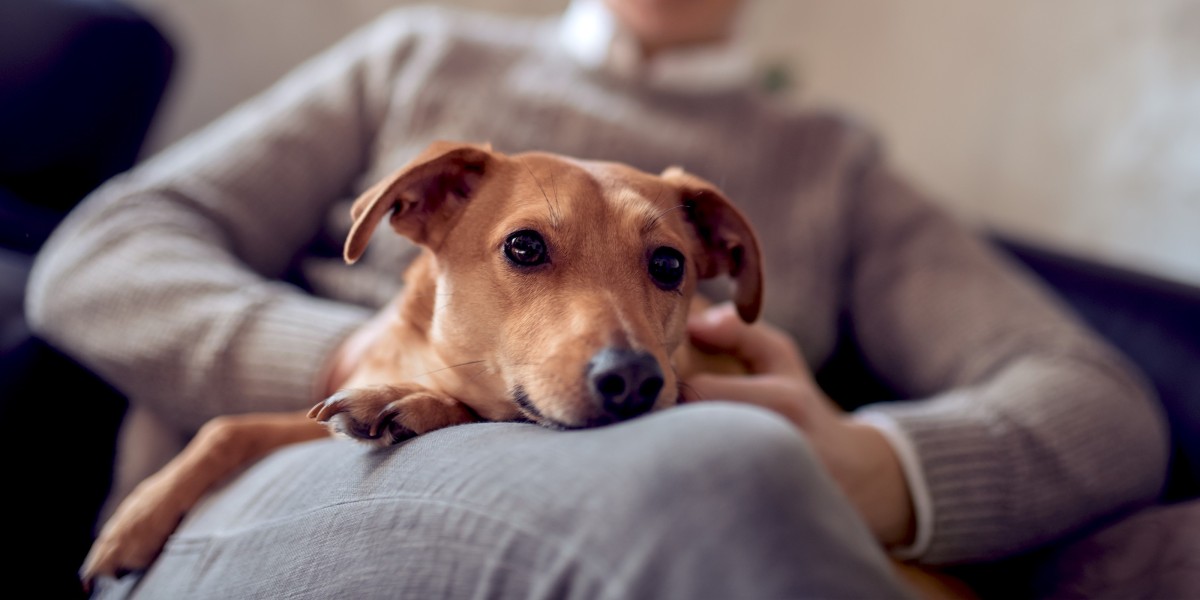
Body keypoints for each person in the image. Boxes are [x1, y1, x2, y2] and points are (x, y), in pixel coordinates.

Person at [26, 0, 1175, 597]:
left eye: (663, 265)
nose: (617, 316)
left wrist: (864, 470)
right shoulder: (415, 57)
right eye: (529, 252)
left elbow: (1104, 411)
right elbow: (100, 253)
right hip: (298, 494)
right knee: (722, 469)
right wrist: (352, 363)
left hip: (698, 501)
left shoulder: (835, 168)